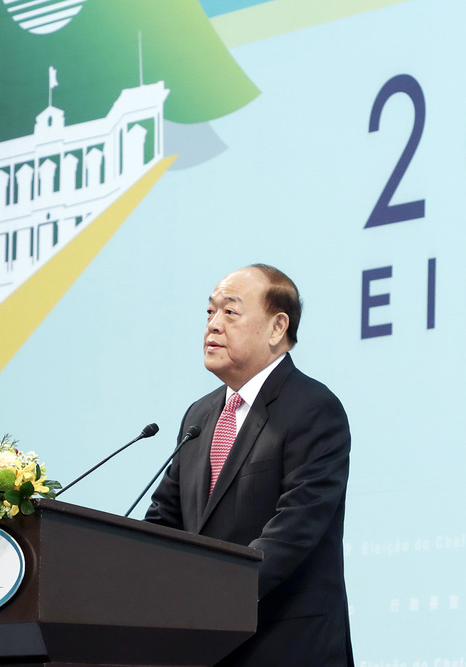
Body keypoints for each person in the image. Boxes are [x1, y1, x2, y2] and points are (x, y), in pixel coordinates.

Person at [146, 264, 353, 667]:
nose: (213, 325)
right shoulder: (199, 416)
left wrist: (209, 598)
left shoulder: (313, 409)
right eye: (210, 312)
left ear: (277, 328)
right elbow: (164, 520)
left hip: (286, 647)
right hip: (205, 648)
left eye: (230, 311)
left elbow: (294, 528)